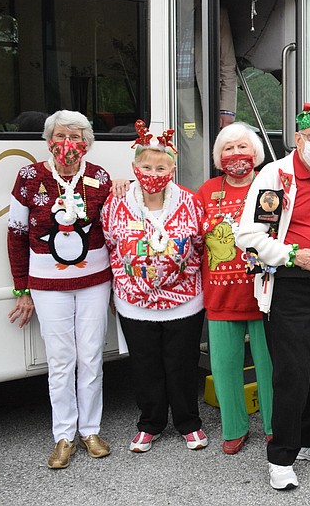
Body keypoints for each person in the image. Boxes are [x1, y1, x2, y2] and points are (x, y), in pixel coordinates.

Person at [235, 103, 310, 491]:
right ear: (298, 139)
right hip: (290, 283)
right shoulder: (275, 176)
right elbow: (249, 237)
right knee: (293, 372)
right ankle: (281, 455)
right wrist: (293, 255)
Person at [6, 110, 113, 469]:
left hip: (95, 282)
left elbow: (112, 232)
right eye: (61, 136)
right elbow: (16, 234)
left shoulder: (100, 177)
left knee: (91, 357)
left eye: (76, 137)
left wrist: (117, 286)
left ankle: (91, 430)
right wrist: (22, 289)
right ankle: (64, 435)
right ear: (49, 139)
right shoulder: (29, 176)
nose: (68, 143)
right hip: (47, 286)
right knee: (61, 360)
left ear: (87, 143)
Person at [103, 121, 208, 453]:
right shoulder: (117, 202)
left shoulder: (189, 201)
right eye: (146, 167)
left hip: (185, 301)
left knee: (182, 365)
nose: (153, 173)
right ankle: (150, 424)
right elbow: (109, 244)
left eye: (161, 167)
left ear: (172, 170)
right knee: (145, 366)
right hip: (134, 302)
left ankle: (189, 423)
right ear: (135, 167)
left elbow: (200, 245)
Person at [196, 122, 273, 454]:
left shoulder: (269, 185)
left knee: (269, 365)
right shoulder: (206, 190)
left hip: (263, 293)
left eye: (243, 147)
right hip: (221, 294)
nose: (236, 154)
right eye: (228, 148)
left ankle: (274, 425)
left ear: (255, 152)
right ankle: (234, 428)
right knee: (225, 367)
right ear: (218, 156)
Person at [177, 4, 239, 190]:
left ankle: (195, 199)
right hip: (163, 92)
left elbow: (227, 65)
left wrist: (226, 109)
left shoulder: (216, 13)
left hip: (196, 93)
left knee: (195, 155)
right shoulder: (168, 9)